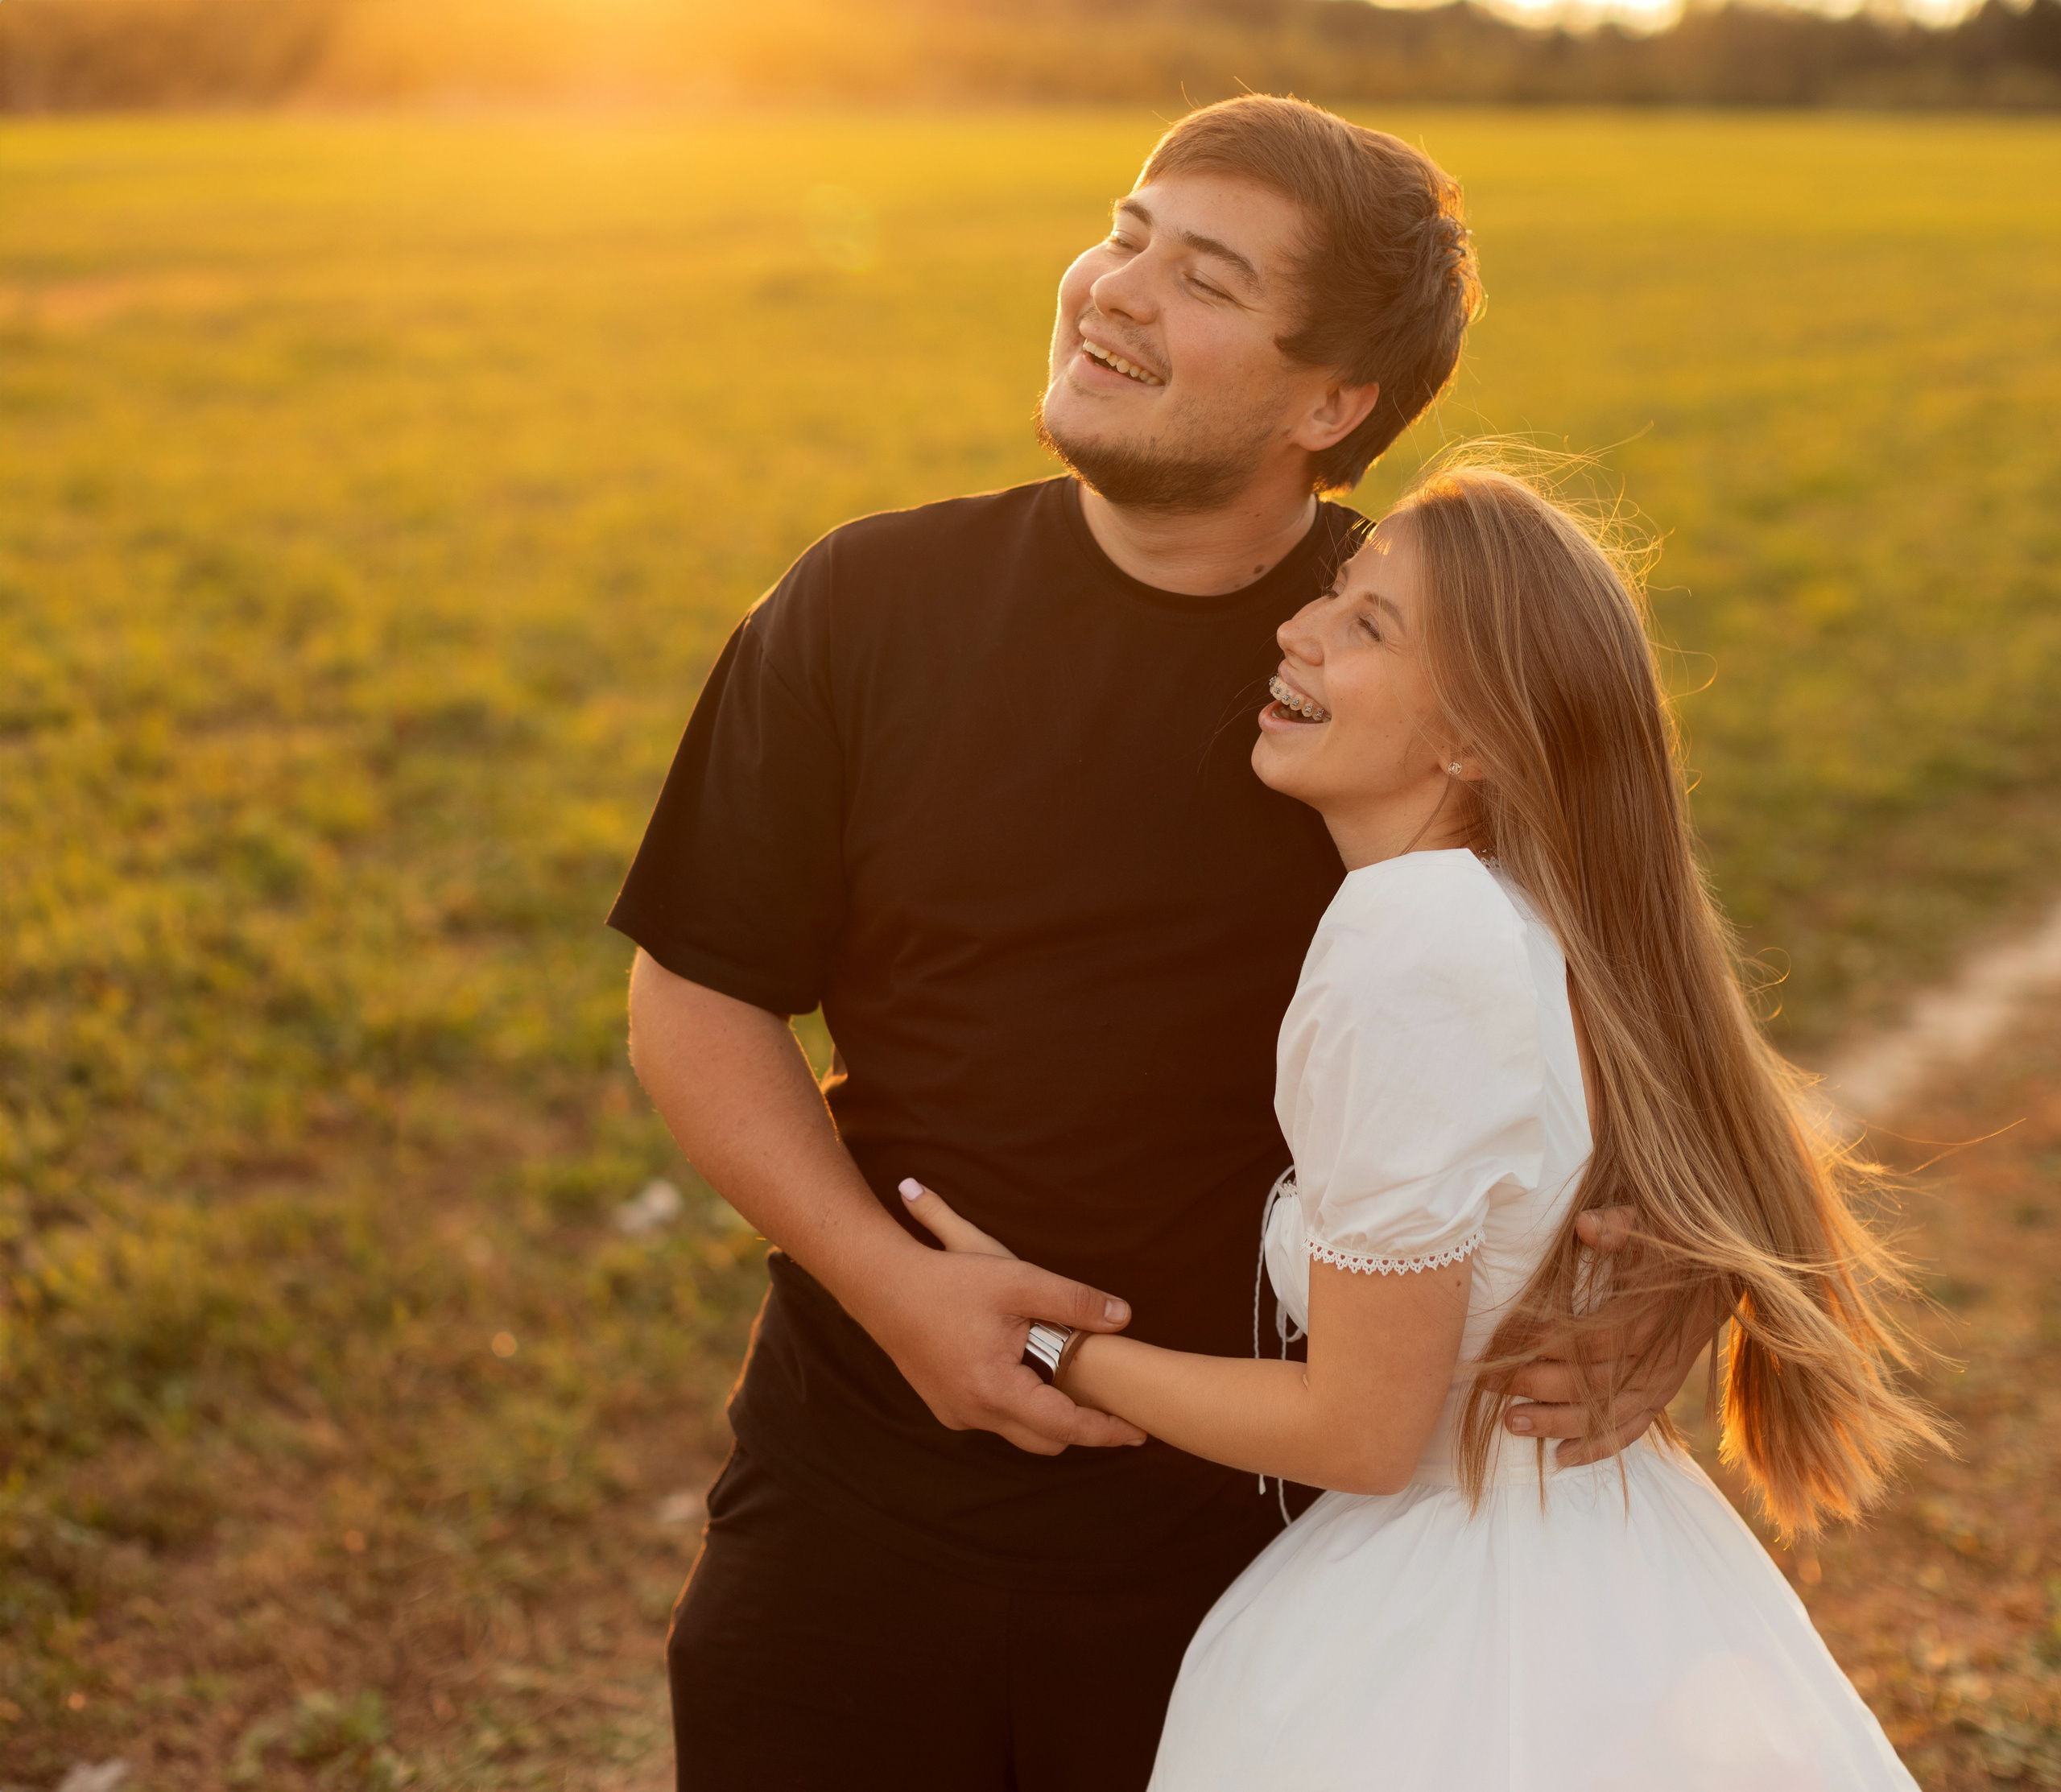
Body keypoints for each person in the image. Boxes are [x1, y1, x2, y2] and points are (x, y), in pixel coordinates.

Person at [611, 97, 1701, 1790]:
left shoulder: (1404, 684)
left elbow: (1628, 1019)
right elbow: (695, 991)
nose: (1113, 288)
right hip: (849, 1498)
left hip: (1263, 1567)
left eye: (1200, 274)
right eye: (1121, 232)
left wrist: (1659, 1279)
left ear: (1329, 403)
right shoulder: (863, 604)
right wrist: (894, 1289)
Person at [904, 454, 1939, 1790]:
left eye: (1367, 622)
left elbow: (1362, 1431)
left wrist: (1041, 1336)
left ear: (1476, 741)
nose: (1298, 627)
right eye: (1336, 593)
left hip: (1457, 1610)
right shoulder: (1533, 913)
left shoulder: (1411, 935)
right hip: (1602, 1558)